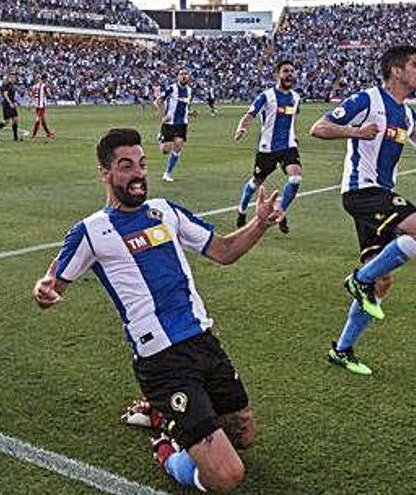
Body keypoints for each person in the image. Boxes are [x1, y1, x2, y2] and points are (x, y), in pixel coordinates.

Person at [32, 128, 284, 493]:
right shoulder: (91, 231)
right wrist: (43, 291)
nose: (138, 174)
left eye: (142, 164)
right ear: (105, 172)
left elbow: (224, 251)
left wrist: (260, 222)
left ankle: (163, 413)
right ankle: (167, 450)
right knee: (228, 476)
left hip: (203, 341)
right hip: (161, 360)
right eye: (126, 166)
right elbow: (51, 284)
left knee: (243, 435)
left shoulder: (165, 211)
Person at [309, 45, 416, 374]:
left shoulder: (407, 114)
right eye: (415, 65)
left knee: (383, 281)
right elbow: (318, 128)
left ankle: (342, 349)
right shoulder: (367, 100)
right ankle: (359, 280)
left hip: (378, 196)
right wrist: (355, 131)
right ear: (396, 70)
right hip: (361, 191)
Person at [233, 60, 302, 233]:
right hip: (267, 149)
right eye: (285, 71)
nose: (289, 74)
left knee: (295, 178)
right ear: (277, 74)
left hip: (288, 146)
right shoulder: (266, 96)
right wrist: (242, 127)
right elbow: (250, 114)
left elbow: (291, 119)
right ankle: (241, 210)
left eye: (292, 71)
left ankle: (281, 211)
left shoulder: (296, 97)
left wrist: (294, 136)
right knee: (256, 182)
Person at [155, 69, 195, 182]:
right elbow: (158, 101)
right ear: (178, 77)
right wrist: (162, 115)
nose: (184, 77)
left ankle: (167, 173)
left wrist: (190, 112)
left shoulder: (189, 90)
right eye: (181, 74)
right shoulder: (172, 88)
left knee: (178, 144)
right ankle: (160, 137)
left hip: (182, 123)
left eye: (186, 74)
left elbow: (186, 105)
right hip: (169, 123)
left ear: (189, 77)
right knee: (165, 150)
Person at [0, 73, 21, 142]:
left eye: (15, 77)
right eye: (12, 77)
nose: (14, 78)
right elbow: (5, 95)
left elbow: (11, 96)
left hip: (11, 104)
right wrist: (10, 103)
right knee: (6, 121)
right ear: (9, 77)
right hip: (7, 105)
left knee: (15, 119)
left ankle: (15, 138)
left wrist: (15, 102)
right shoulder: (6, 84)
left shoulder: (12, 85)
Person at [29, 73, 55, 140]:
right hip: (41, 106)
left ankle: (48, 133)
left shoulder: (35, 86)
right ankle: (33, 136)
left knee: (43, 121)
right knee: (38, 120)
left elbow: (32, 95)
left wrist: (30, 104)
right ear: (45, 79)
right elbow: (49, 94)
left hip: (37, 105)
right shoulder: (44, 86)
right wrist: (51, 95)